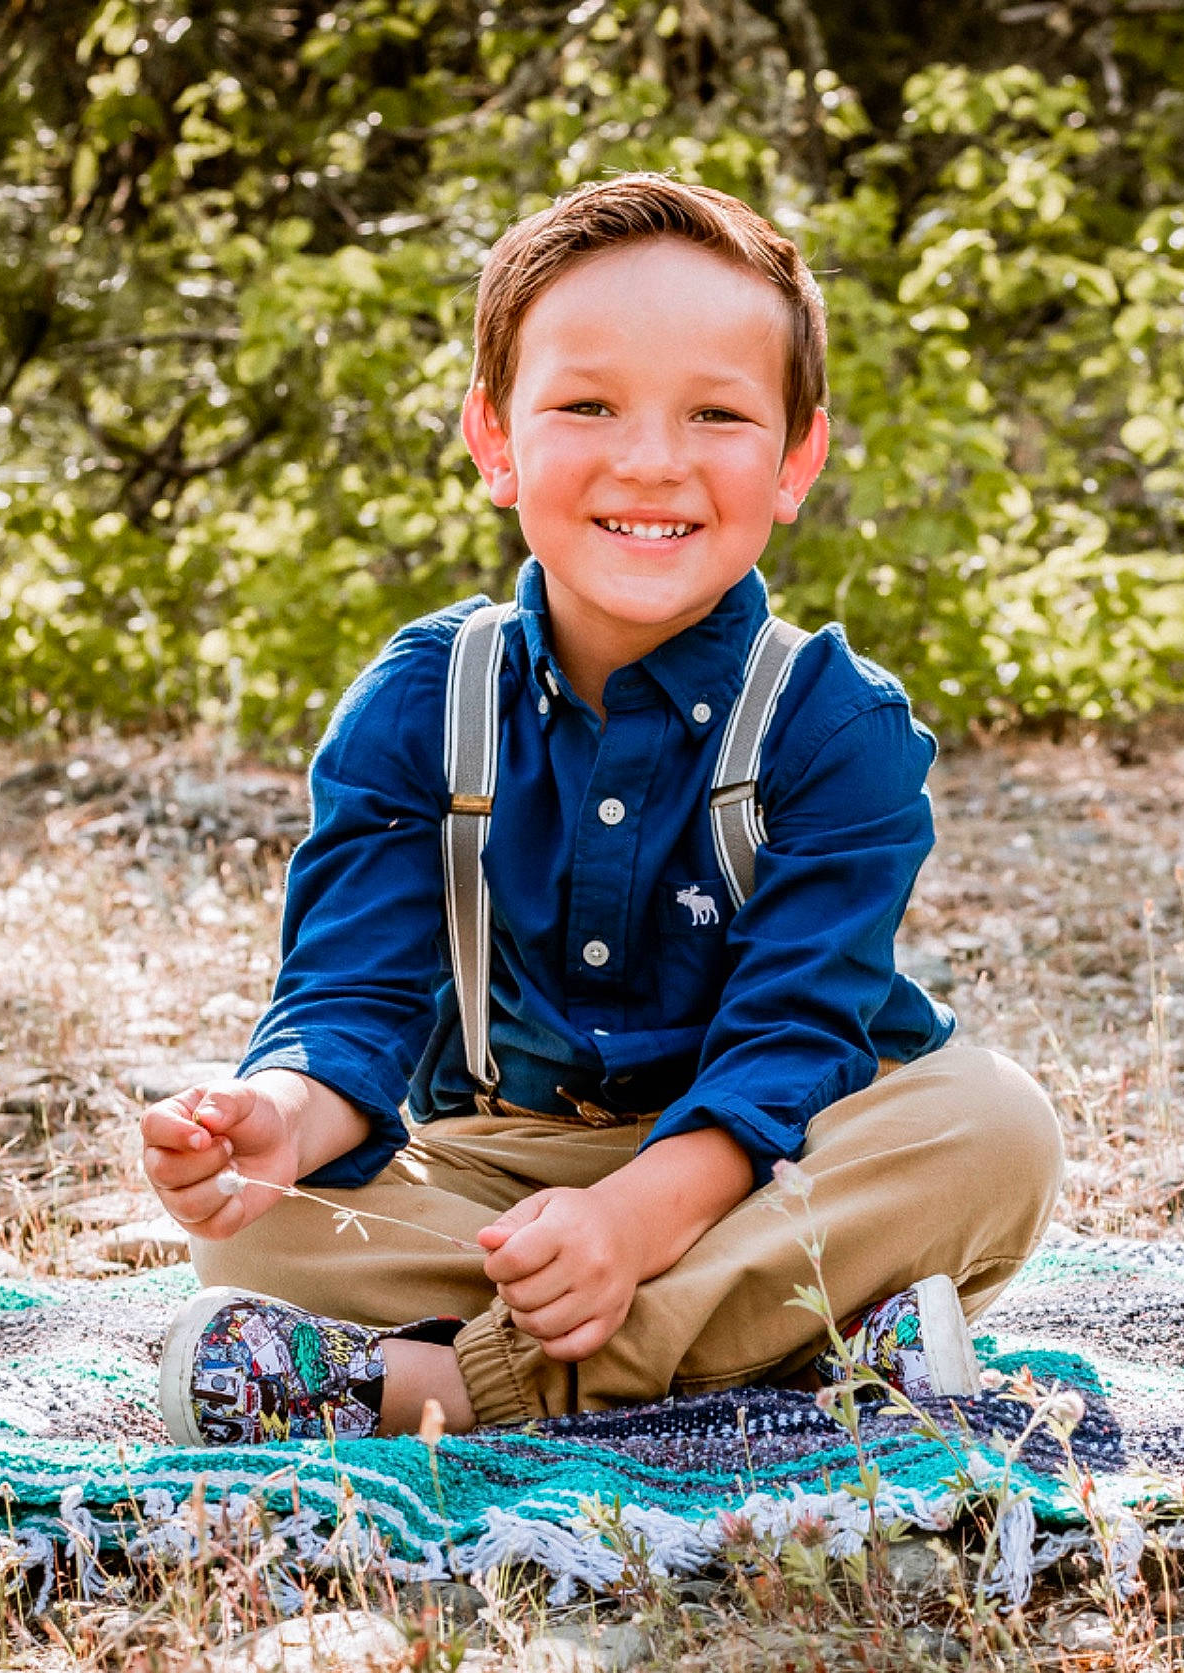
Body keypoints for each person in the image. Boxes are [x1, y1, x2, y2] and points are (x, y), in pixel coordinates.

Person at [138, 174, 1064, 1447]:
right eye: (586, 404)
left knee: (994, 1128)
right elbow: (350, 999)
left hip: (772, 1157)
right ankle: (799, 1354)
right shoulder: (423, 701)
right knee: (272, 1235)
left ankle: (456, 1389)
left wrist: (635, 1223)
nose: (650, 459)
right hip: (510, 1170)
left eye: (716, 414)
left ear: (796, 458)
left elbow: (792, 1040)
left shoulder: (835, 724)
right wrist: (277, 1118)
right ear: (493, 436)